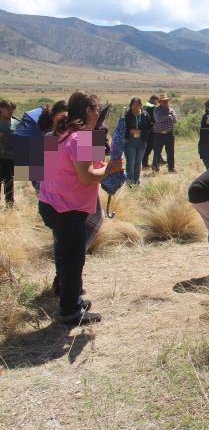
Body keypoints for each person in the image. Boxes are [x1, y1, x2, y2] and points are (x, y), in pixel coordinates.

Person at [38, 91, 122, 326]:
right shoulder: (81, 138)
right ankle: (70, 311)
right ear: (88, 111)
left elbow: (89, 165)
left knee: (65, 254)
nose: (98, 113)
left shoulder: (54, 135)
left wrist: (104, 165)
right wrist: (111, 170)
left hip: (50, 204)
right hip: (69, 209)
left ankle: (70, 297)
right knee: (73, 259)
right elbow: (87, 176)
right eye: (96, 109)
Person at [12, 100, 68, 192]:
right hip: (50, 179)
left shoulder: (40, 128)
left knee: (40, 189)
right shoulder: (51, 136)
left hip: (42, 172)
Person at [123, 97, 152, 185]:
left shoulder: (145, 115)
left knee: (138, 162)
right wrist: (130, 131)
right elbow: (123, 127)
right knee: (130, 163)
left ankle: (136, 182)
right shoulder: (127, 115)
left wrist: (141, 131)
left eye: (137, 105)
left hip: (142, 141)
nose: (135, 107)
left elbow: (149, 126)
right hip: (130, 141)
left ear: (140, 105)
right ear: (130, 105)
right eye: (133, 105)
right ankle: (129, 183)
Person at [0, 99, 19, 207]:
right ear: (1, 109)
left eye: (12, 109)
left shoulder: (16, 122)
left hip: (10, 158)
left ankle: (10, 205)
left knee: (9, 182)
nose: (11, 111)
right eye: (8, 109)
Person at [152, 94, 177, 173]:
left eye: (167, 101)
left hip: (169, 134)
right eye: (164, 101)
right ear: (160, 102)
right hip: (159, 134)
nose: (166, 102)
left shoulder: (171, 110)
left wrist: (168, 117)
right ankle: (155, 168)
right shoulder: (157, 109)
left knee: (170, 152)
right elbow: (158, 119)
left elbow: (175, 119)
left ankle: (171, 168)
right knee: (157, 152)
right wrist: (169, 117)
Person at [142, 95, 160, 169]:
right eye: (157, 101)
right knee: (150, 147)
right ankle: (145, 163)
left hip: (144, 129)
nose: (157, 103)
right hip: (151, 130)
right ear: (154, 100)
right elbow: (154, 118)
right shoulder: (152, 107)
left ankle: (145, 163)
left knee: (147, 146)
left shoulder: (144, 105)